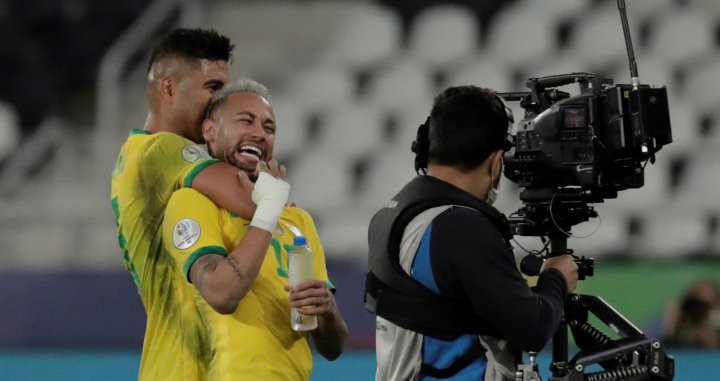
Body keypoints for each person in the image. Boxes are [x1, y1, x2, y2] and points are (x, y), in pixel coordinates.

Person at [366, 85, 579, 380]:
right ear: (495, 161)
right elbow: (533, 328)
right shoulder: (460, 226)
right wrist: (556, 278)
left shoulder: (389, 214)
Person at [161, 79, 348, 380]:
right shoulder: (191, 203)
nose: (259, 133)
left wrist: (327, 310)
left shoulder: (298, 221)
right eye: (245, 121)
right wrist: (270, 209)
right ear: (209, 130)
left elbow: (332, 347)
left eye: (269, 128)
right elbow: (222, 294)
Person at [110, 28, 266, 380]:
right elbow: (256, 201)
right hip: (182, 367)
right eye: (212, 88)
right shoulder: (160, 151)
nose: (219, 102)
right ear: (168, 88)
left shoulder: (141, 154)